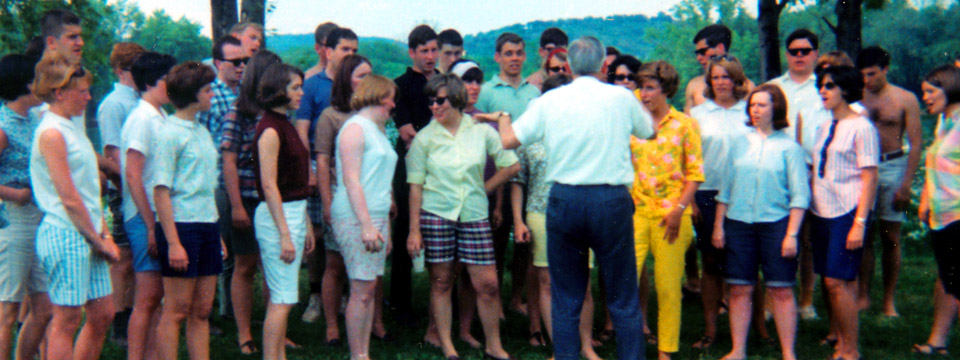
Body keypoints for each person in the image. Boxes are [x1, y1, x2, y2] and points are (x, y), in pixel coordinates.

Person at [484, 36, 654, 360]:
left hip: (565, 200)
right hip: (610, 200)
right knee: (622, 296)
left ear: (569, 66)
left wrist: (503, 117)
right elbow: (649, 131)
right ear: (605, 65)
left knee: (565, 295)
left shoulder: (548, 101)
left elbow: (508, 141)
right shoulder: (622, 97)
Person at [406, 74, 520, 360]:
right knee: (442, 282)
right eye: (430, 101)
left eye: (440, 100)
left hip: (473, 215)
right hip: (436, 214)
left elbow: (511, 165)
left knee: (488, 284)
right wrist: (414, 230)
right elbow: (415, 186)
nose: (434, 106)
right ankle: (447, 345)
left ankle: (494, 345)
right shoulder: (424, 138)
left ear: (456, 99)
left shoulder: (482, 131)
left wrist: (485, 189)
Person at [30, 52, 120, 360]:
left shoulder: (72, 128)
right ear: (59, 92)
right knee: (67, 320)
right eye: (82, 91)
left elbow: (88, 191)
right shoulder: (52, 132)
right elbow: (68, 198)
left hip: (88, 231)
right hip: (65, 233)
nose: (88, 96)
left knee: (104, 312)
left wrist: (103, 233)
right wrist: (99, 240)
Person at [712, 84, 810, 360]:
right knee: (740, 288)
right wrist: (719, 225)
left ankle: (789, 353)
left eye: (762, 105)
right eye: (752, 105)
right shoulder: (739, 143)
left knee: (780, 289)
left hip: (776, 225)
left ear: (776, 108)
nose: (755, 110)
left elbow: (800, 196)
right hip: (739, 224)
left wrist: (791, 234)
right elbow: (725, 189)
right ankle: (738, 350)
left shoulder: (789, 148)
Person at [509, 72, 602, 360]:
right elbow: (518, 181)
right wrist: (518, 219)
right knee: (548, 281)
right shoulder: (530, 135)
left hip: (579, 210)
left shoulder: (586, 132)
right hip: (540, 213)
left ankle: (585, 346)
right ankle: (562, 347)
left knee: (582, 282)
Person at [314, 54, 389, 344]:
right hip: (343, 200)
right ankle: (332, 324)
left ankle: (376, 321)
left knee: (373, 270)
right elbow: (322, 162)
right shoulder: (331, 116)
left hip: (375, 203)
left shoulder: (376, 116)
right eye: (361, 75)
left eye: (370, 75)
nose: (366, 81)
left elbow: (383, 160)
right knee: (335, 265)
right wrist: (327, 202)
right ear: (346, 79)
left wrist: (390, 197)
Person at [633, 60, 704, 360]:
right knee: (625, 282)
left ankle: (666, 351)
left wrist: (679, 209)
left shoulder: (686, 125)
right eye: (641, 87)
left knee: (667, 287)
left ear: (667, 90)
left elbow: (695, 173)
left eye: (650, 88)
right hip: (635, 213)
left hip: (672, 216)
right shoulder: (632, 122)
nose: (643, 93)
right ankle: (630, 345)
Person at [153, 61, 224, 360]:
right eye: (208, 90)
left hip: (207, 225)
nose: (212, 95)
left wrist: (217, 235)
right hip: (181, 226)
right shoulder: (169, 133)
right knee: (177, 310)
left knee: (202, 310)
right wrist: (173, 243)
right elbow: (161, 190)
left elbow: (206, 188)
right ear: (193, 94)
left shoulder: (201, 131)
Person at [811, 65, 878, 360]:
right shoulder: (824, 126)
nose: (822, 91)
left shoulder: (862, 126)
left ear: (846, 90)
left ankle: (851, 350)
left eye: (829, 86)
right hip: (821, 211)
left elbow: (870, 177)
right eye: (821, 86)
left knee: (838, 282)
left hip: (848, 211)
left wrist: (860, 223)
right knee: (832, 280)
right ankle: (840, 338)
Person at [475, 31, 541, 329]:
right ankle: (496, 300)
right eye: (508, 53)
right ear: (497, 57)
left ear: (525, 56)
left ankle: (518, 298)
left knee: (527, 242)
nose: (514, 58)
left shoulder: (534, 93)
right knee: (498, 240)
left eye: (519, 53)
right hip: (502, 174)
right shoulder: (488, 91)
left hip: (533, 174)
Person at [220, 50, 283, 355]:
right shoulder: (238, 112)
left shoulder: (279, 114)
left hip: (273, 201)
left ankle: (276, 331)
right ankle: (244, 333)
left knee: (274, 266)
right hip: (246, 198)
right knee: (245, 265)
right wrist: (236, 207)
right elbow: (229, 161)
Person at [331, 74, 398, 360]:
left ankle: (363, 353)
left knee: (368, 288)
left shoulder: (376, 130)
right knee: (361, 289)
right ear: (381, 96)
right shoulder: (354, 129)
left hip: (377, 216)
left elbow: (380, 183)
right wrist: (367, 225)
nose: (393, 105)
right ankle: (358, 355)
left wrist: (386, 230)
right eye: (391, 98)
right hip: (356, 217)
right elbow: (351, 180)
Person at [688, 55, 751, 351]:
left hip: (744, 193)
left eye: (727, 77)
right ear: (709, 81)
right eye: (716, 77)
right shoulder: (698, 115)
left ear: (737, 80)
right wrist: (692, 202)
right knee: (711, 263)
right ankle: (710, 330)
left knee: (748, 263)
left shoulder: (749, 111)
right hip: (707, 194)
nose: (721, 82)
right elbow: (688, 159)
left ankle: (758, 329)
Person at [855, 46, 922, 317]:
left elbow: (916, 144)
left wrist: (907, 183)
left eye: (872, 74)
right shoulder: (857, 98)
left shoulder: (906, 99)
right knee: (864, 235)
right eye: (863, 75)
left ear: (885, 69)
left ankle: (889, 300)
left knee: (891, 236)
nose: (867, 80)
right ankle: (862, 296)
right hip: (864, 167)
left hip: (895, 165)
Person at [253, 63, 314, 360]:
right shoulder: (269, 129)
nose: (301, 92)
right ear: (279, 90)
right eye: (295, 87)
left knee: (285, 297)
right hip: (276, 219)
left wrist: (306, 224)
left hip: (293, 213)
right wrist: (286, 235)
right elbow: (269, 185)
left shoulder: (286, 123)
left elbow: (296, 182)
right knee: (281, 298)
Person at [120, 51, 177, 360]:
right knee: (148, 295)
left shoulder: (159, 115)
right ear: (157, 81)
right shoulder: (143, 118)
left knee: (157, 296)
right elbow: (132, 174)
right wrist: (151, 225)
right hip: (144, 218)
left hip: (156, 217)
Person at [768, 29, 827, 321]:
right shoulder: (774, 87)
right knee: (777, 234)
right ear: (786, 54)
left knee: (807, 240)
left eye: (806, 50)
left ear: (816, 53)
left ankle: (806, 300)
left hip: (816, 171)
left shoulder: (825, 86)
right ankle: (773, 301)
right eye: (794, 51)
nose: (800, 56)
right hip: (778, 171)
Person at [0, 54, 51, 360]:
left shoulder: (35, 120)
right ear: (23, 84)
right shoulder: (3, 126)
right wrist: (10, 194)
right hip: (12, 222)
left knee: (44, 308)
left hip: (38, 218)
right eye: (37, 79)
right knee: (8, 310)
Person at [96, 41, 144, 347]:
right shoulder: (114, 104)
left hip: (141, 188)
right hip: (123, 188)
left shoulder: (140, 99)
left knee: (137, 257)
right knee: (124, 259)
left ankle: (137, 313)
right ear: (121, 71)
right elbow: (112, 154)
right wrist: (128, 191)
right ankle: (119, 319)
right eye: (134, 68)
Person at [391, 24, 439, 327]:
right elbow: (408, 133)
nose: (431, 56)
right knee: (406, 229)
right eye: (425, 51)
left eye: (434, 50)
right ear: (412, 53)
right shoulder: (400, 85)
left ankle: (442, 301)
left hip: (442, 167)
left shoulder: (445, 83)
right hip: (410, 165)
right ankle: (401, 302)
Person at [915, 64, 960, 356]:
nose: (926, 98)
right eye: (923, 93)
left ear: (950, 87)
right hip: (941, 216)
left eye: (931, 91)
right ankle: (938, 342)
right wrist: (925, 200)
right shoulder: (944, 122)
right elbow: (938, 163)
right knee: (947, 278)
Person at [197, 35, 246, 146]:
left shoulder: (248, 91)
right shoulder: (209, 96)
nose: (242, 65)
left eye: (245, 60)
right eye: (236, 61)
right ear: (219, 64)